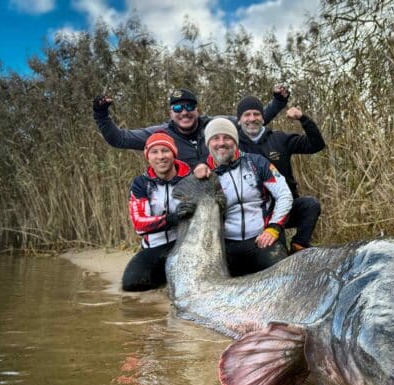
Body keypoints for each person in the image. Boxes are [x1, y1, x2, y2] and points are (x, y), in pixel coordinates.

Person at [92, 86, 289, 177]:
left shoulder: (215, 125)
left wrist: (278, 101)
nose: (184, 112)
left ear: (197, 109)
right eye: (178, 108)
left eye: (189, 107)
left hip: (223, 193)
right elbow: (119, 139)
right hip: (185, 199)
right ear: (170, 112)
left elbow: (250, 123)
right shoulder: (161, 134)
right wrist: (100, 114)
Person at [234, 95, 326, 253]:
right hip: (255, 212)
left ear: (263, 118)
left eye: (256, 114)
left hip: (284, 205)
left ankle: (299, 246)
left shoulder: (279, 139)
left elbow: (316, 145)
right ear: (239, 120)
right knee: (276, 251)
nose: (252, 118)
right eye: (247, 115)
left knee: (310, 205)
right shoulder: (233, 145)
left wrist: (303, 118)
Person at [204, 117, 293, 276]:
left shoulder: (257, 162)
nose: (221, 143)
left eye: (227, 137)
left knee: (283, 274)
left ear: (235, 141)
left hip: (260, 239)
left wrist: (274, 227)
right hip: (225, 246)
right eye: (215, 138)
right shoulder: (203, 175)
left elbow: (284, 194)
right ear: (208, 144)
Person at [122, 132, 195, 291]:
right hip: (155, 247)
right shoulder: (141, 183)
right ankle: (166, 276)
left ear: (174, 154)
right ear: (148, 157)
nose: (160, 156)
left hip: (186, 245)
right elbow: (139, 225)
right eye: (154, 152)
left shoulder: (191, 179)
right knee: (131, 283)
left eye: (165, 151)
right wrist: (172, 219)